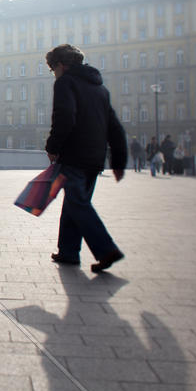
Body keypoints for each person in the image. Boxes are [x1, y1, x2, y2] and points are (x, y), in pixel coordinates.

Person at [44, 44, 126, 273]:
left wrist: (52, 146)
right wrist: (118, 161)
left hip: (74, 155)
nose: (54, 73)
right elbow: (115, 127)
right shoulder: (100, 89)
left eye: (53, 69)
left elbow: (65, 117)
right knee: (73, 203)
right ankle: (68, 252)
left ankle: (106, 249)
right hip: (95, 158)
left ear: (61, 65)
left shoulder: (65, 82)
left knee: (78, 203)